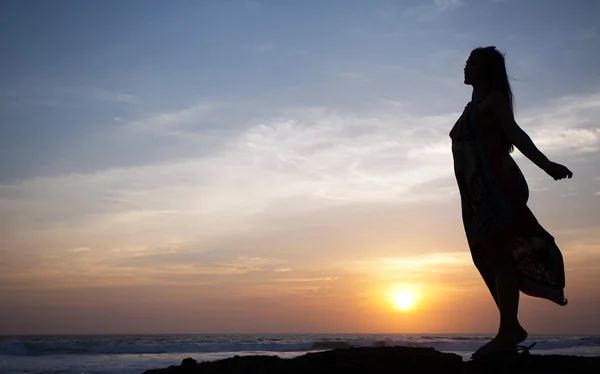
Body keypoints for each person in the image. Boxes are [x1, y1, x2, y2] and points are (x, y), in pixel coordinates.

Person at [449, 46, 573, 358]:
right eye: (467, 62)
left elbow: (517, 135)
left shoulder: (494, 101)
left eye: (472, 63)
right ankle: (509, 326)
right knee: (488, 258)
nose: (466, 67)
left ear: (486, 70)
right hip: (477, 195)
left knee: (499, 256)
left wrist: (548, 166)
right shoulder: (471, 106)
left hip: (498, 186)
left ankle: (509, 329)